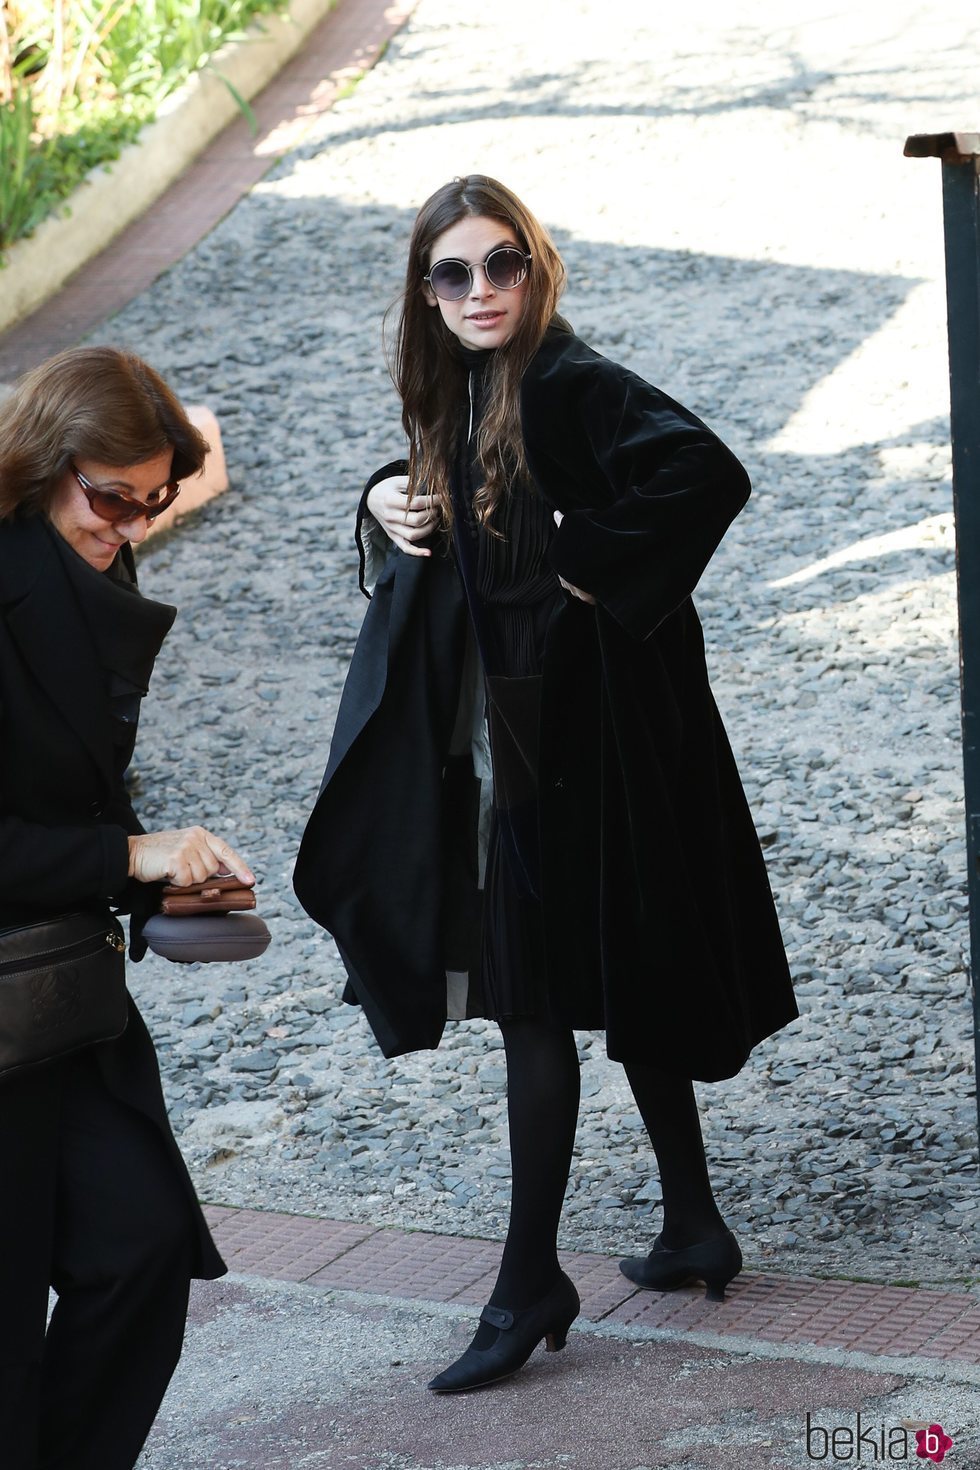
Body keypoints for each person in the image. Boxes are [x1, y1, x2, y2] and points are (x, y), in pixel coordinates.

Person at [294, 176, 797, 1393]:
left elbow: (704, 472)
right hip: (521, 742)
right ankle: (690, 1225)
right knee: (604, 963)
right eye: (454, 274)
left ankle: (528, 1281)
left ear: (537, 269)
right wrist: (374, 494)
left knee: (530, 999)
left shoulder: (569, 381)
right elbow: (456, 499)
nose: (482, 292)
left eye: (503, 265)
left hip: (565, 748)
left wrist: (579, 567)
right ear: (424, 292)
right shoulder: (463, 388)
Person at [0, 346, 255, 1469]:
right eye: (111, 499)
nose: (133, 527)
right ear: (44, 463)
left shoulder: (93, 571)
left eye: (153, 504)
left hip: (60, 996)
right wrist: (126, 852)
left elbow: (76, 792)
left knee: (141, 1249)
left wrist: (158, 877)